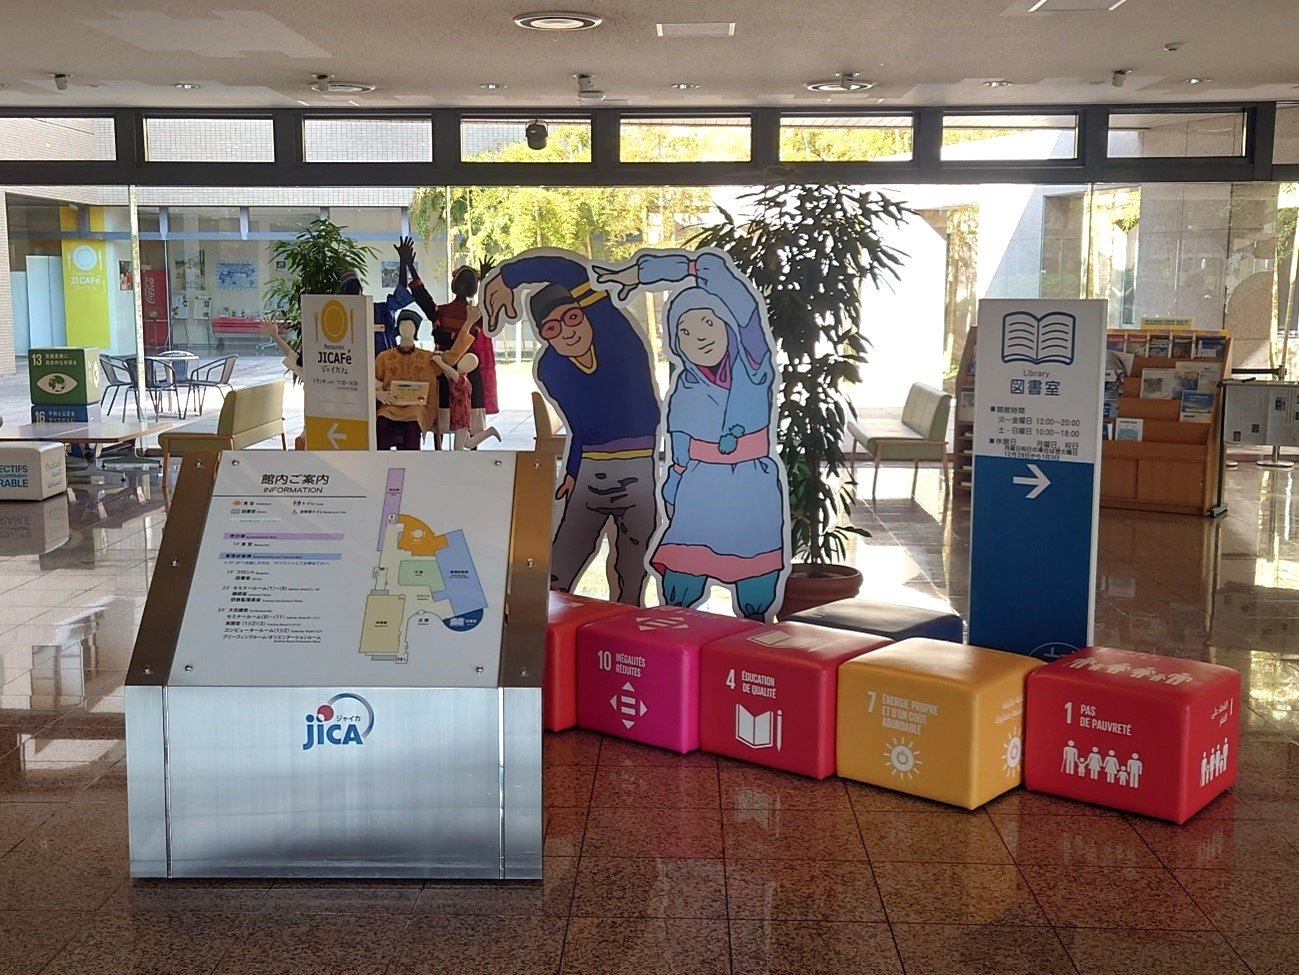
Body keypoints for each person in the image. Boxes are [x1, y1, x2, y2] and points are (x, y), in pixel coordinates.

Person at [594, 250, 788, 621]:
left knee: (755, 589)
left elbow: (741, 301)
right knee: (680, 588)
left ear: (728, 326)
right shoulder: (685, 388)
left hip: (751, 491)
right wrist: (673, 489)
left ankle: (751, 648)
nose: (699, 337)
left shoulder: (752, 367)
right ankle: (674, 647)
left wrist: (651, 272)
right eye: (685, 331)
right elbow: (679, 448)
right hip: (698, 493)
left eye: (707, 323)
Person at [483, 251, 660, 604]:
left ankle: (626, 632)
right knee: (560, 566)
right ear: (544, 337)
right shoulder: (552, 368)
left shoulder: (616, 337)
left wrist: (509, 276)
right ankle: (538, 629)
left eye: (572, 317)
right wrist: (573, 470)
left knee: (631, 572)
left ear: (586, 312)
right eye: (552, 328)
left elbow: (572, 271)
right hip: (591, 472)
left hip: (639, 468)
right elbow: (579, 426)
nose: (567, 331)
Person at [395, 239, 497, 443]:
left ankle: (440, 452)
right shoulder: (477, 315)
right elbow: (487, 303)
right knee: (469, 420)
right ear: (474, 289)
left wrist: (408, 264)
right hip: (469, 370)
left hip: (442, 369)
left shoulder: (440, 312)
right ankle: (471, 451)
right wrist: (486, 279)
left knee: (441, 420)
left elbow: (420, 294)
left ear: (454, 285)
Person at [374, 310, 439, 450]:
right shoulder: (384, 357)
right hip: (391, 405)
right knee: (383, 421)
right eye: (403, 325)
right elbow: (371, 379)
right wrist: (378, 393)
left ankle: (411, 462)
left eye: (411, 325)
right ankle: (381, 461)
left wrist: (468, 325)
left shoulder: (427, 357)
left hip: (416, 405)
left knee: (413, 421)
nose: (406, 329)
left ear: (416, 329)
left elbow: (452, 357)